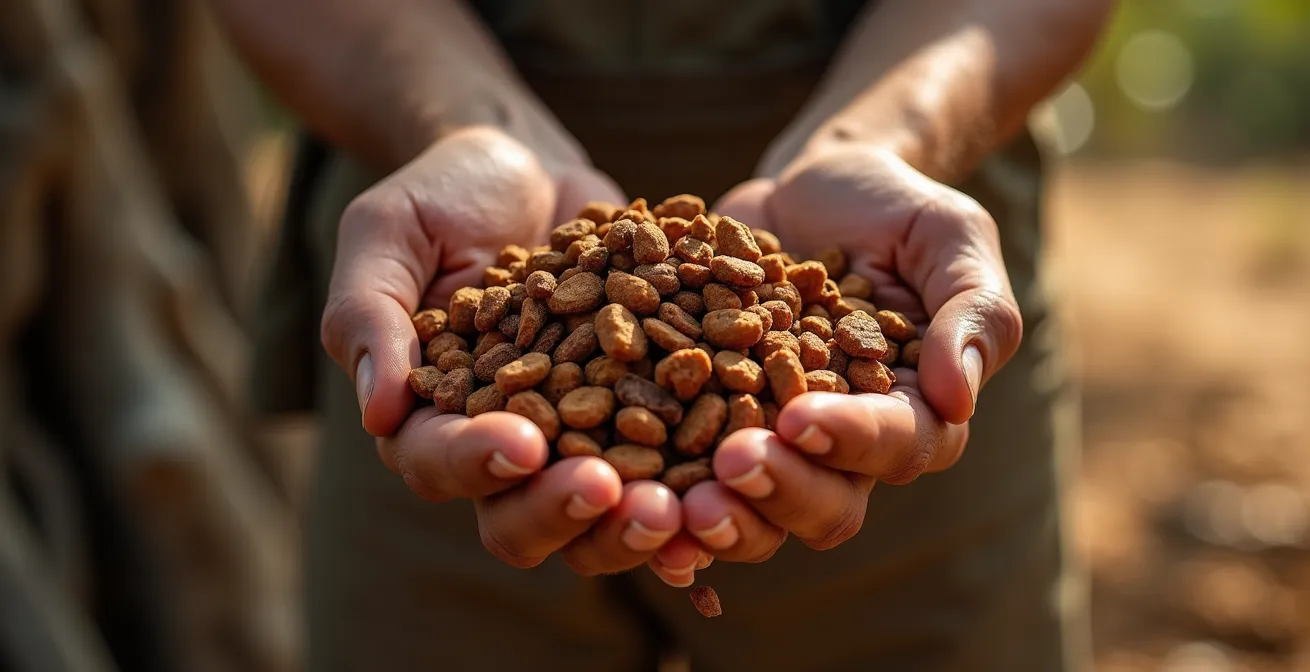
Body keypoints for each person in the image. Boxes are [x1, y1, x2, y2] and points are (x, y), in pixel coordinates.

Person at [214, 0, 1112, 669]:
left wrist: (882, 137)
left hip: (892, 257)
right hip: (441, 232)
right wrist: (465, 123)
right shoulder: (492, 329)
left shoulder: (822, 317)